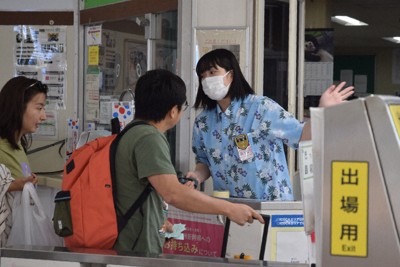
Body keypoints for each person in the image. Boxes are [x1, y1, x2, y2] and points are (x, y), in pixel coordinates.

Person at [113, 69, 264, 254]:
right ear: (173, 111)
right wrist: (230, 209)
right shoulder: (149, 137)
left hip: (126, 245)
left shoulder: (130, 133)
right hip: (135, 251)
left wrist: (157, 220)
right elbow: (174, 194)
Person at [188, 48, 354, 201]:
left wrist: (322, 110)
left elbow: (301, 136)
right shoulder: (203, 122)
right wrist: (196, 176)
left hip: (271, 206)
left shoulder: (261, 108)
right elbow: (204, 162)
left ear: (230, 75)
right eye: (203, 76)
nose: (207, 80)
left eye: (212, 72)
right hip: (229, 208)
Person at [0, 76, 47, 189]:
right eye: (39, 108)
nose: (43, 117)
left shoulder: (17, 144)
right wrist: (11, 186)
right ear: (18, 106)